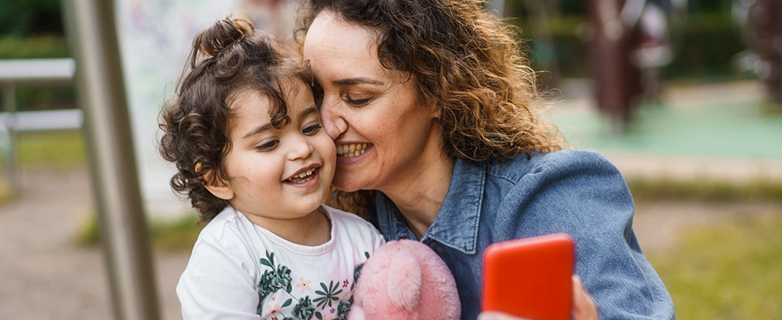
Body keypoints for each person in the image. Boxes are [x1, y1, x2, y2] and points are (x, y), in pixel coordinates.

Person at [295, 0, 675, 319]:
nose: (326, 124)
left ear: (438, 90)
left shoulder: (550, 197)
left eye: (357, 97)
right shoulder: (338, 226)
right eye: (315, 94)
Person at [159, 13, 384, 320]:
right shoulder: (228, 253)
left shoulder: (362, 240)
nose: (302, 148)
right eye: (268, 143)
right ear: (215, 178)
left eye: (310, 127)